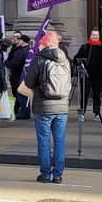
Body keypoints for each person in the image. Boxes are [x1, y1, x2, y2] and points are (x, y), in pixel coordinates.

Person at [24, 30, 72, 184]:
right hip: (62, 107)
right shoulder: (65, 60)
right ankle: (58, 175)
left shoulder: (39, 59)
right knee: (59, 141)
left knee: (44, 141)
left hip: (43, 106)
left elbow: (29, 83)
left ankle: (45, 174)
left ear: (44, 43)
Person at [73, 28, 102, 120]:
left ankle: (97, 114)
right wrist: (80, 62)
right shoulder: (85, 47)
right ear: (90, 36)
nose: (95, 37)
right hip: (85, 74)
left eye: (96, 35)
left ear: (99, 37)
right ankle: (82, 113)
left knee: (97, 94)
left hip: (98, 75)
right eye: (93, 35)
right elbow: (76, 58)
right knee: (84, 94)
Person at [5, 33, 31, 119]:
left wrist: (6, 62)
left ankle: (22, 112)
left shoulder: (20, 52)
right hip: (26, 75)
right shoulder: (29, 50)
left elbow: (14, 64)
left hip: (18, 76)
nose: (18, 41)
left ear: (22, 41)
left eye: (19, 40)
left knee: (19, 95)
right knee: (25, 94)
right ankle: (24, 111)